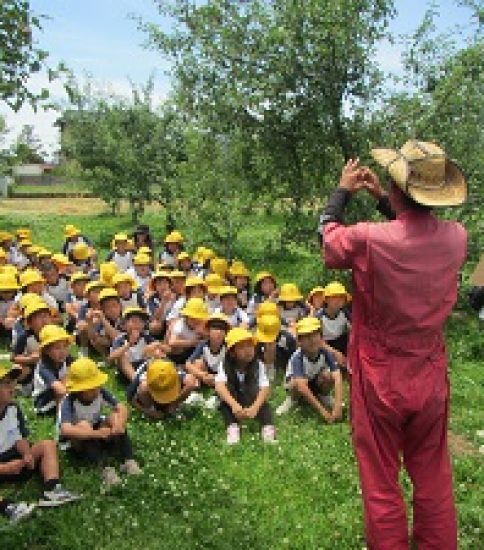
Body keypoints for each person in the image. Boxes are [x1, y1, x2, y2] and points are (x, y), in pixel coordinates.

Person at [320, 140, 467, 549]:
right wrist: (386, 199)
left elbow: (329, 243)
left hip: (379, 374)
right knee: (433, 473)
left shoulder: (371, 240)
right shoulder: (456, 238)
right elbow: (416, 233)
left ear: (399, 187)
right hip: (429, 370)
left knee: (381, 479)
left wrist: (342, 192)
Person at [0, 362, 80, 506]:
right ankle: (8, 506)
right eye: (6, 384)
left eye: (12, 382)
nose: (12, 387)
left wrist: (26, 454)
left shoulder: (13, 408)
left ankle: (53, 488)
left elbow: (19, 438)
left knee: (47, 445)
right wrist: (5, 468)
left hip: (15, 456)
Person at [59, 358, 141, 487]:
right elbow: (66, 430)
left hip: (97, 430)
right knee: (84, 426)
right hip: (77, 441)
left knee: (115, 417)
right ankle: (104, 469)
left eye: (96, 386)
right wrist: (95, 434)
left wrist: (119, 423)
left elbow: (122, 408)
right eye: (90, 388)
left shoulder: (100, 392)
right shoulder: (69, 402)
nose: (96, 390)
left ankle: (128, 460)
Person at [215, 327, 276, 445]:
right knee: (225, 405)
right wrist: (234, 405)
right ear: (232, 353)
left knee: (265, 406)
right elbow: (219, 385)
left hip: (250, 397)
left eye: (250, 346)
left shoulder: (258, 365)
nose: (248, 350)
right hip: (234, 398)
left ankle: (267, 428)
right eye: (242, 347)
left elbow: (265, 387)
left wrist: (255, 407)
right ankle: (232, 427)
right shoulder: (225, 364)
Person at [276, 317, 342, 420]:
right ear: (299, 341)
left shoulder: (325, 353)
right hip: (299, 385)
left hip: (315, 381)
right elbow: (302, 386)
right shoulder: (297, 357)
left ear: (321, 337)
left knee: (328, 375)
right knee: (295, 383)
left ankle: (324, 396)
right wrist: (323, 411)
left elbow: (337, 376)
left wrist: (338, 405)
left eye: (315, 335)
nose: (312, 340)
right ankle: (292, 400)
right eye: (306, 337)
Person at [126, 359, 197, 419]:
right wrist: (149, 412)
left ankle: (173, 407)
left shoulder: (171, 371)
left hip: (173, 399)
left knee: (190, 382)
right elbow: (130, 399)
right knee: (143, 388)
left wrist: (174, 403)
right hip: (152, 399)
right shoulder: (141, 377)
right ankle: (152, 408)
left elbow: (191, 381)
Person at [32, 325, 74, 414]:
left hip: (62, 395)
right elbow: (60, 390)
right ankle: (62, 420)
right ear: (46, 350)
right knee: (64, 384)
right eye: (57, 348)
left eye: (65, 346)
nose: (62, 351)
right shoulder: (43, 367)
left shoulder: (67, 359)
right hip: (44, 404)